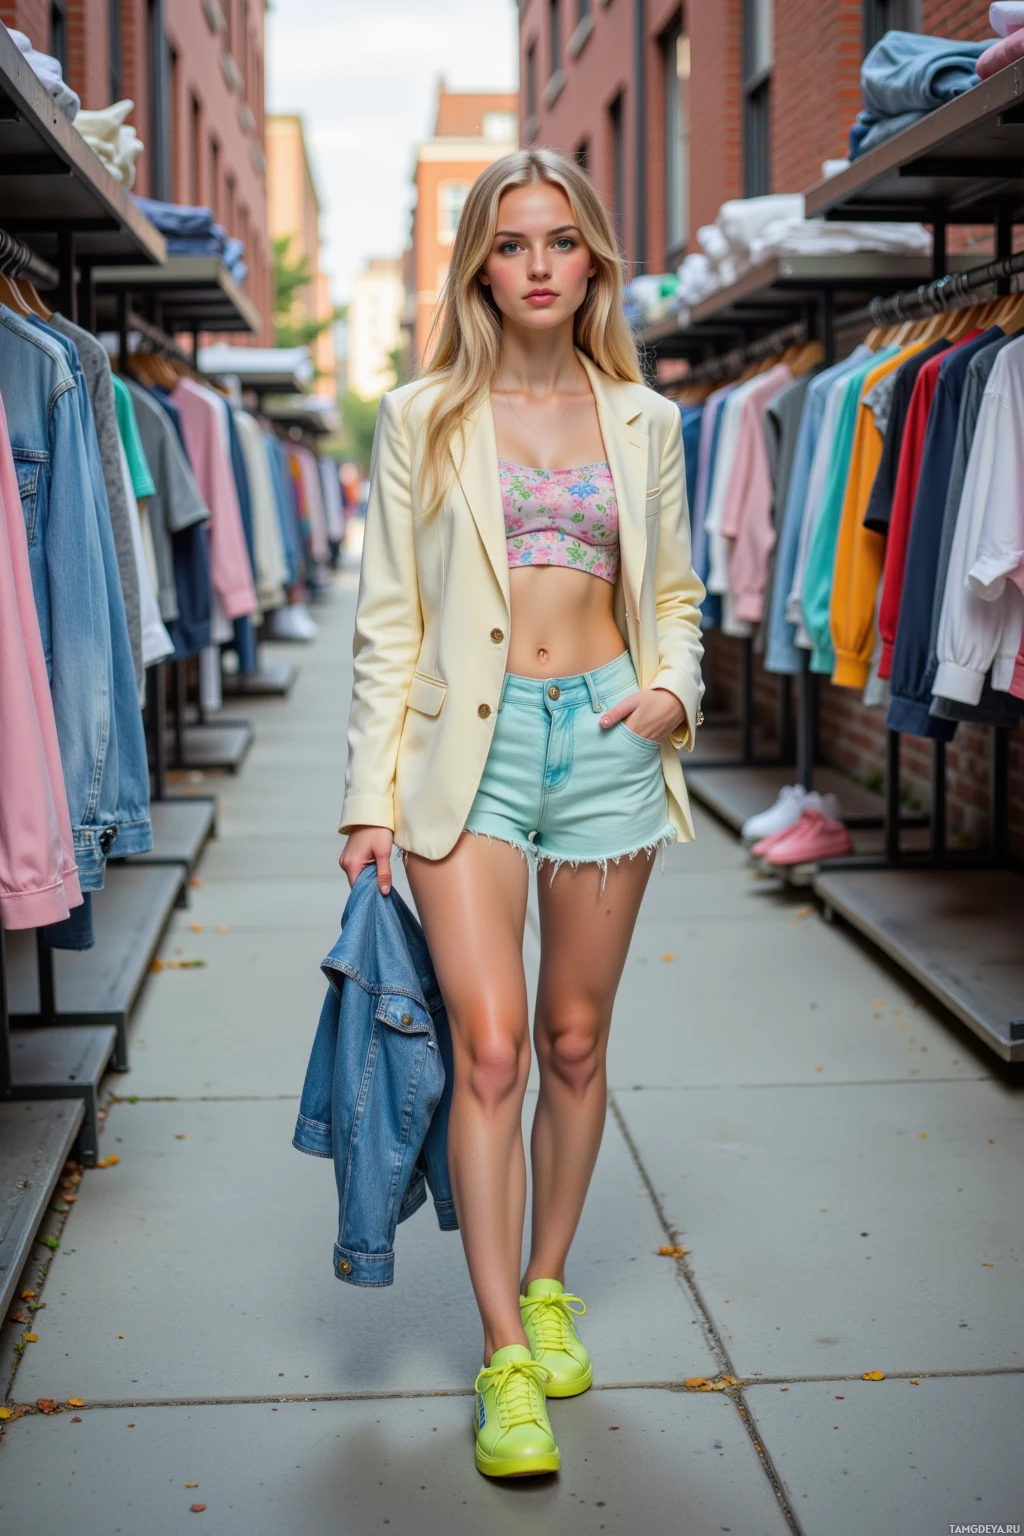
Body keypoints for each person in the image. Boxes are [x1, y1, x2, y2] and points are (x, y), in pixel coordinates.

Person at [339, 147, 705, 1479]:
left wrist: (672, 695)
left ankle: (548, 1279)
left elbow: (674, 596)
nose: (539, 264)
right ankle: (504, 1357)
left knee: (570, 1038)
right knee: (487, 1049)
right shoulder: (422, 415)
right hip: (467, 756)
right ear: (479, 266)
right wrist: (366, 800)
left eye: (561, 241)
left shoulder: (646, 421)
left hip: (606, 738)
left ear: (593, 259)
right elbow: (392, 625)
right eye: (512, 242)